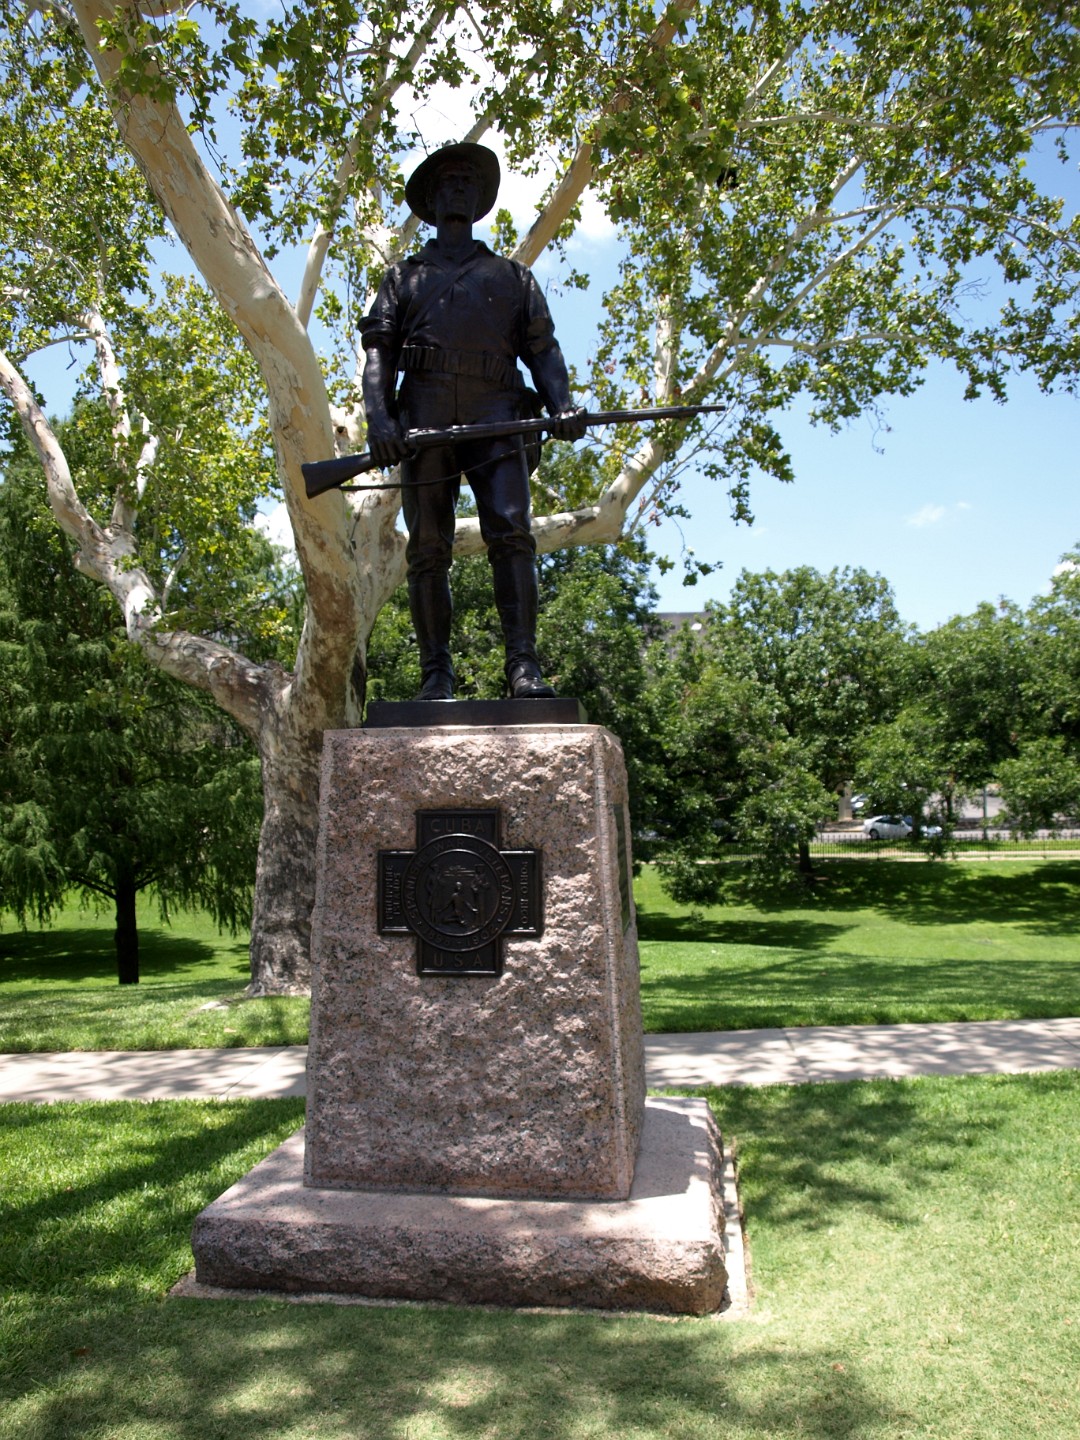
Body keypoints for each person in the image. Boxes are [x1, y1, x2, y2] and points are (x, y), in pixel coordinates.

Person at [361, 142, 587, 701]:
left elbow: (543, 349)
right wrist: (380, 420)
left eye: (467, 179)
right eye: (448, 180)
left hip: (498, 415)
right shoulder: (402, 278)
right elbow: (379, 357)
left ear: (479, 197)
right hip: (425, 417)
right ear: (432, 198)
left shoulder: (511, 276)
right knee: (427, 547)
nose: (458, 186)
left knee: (512, 533)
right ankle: (435, 675)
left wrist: (561, 405)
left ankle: (523, 668)